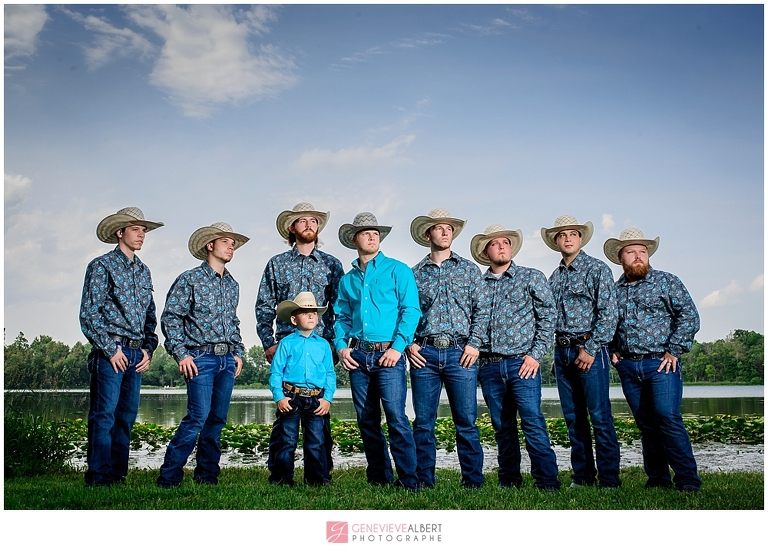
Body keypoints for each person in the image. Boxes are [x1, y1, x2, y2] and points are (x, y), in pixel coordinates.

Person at [604, 227, 701, 492]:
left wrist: (674, 350)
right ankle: (658, 479)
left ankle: (688, 481)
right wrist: (613, 349)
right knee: (646, 424)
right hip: (628, 366)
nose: (638, 256)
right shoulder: (614, 290)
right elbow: (608, 323)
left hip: (661, 363)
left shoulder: (667, 281)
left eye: (642, 251)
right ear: (620, 258)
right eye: (631, 252)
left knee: (668, 418)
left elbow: (689, 316)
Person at [334, 212, 422, 491]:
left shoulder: (398, 270)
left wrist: (398, 348)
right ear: (354, 239)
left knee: (396, 417)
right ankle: (379, 478)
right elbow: (341, 317)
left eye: (375, 232)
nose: (372, 236)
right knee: (367, 420)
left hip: (389, 356)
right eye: (365, 232)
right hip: (358, 356)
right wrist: (340, 347)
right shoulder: (347, 280)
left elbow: (411, 311)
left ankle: (409, 480)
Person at [157, 222, 249, 488]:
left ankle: (207, 476)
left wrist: (238, 352)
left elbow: (233, 322)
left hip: (226, 360)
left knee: (217, 419)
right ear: (210, 245)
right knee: (197, 417)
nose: (231, 246)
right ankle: (169, 477)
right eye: (225, 241)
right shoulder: (189, 279)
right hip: (200, 359)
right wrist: (181, 355)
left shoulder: (232, 284)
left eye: (233, 243)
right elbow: (171, 318)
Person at [471, 224, 561, 491]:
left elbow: (548, 317)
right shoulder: (478, 284)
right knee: (502, 426)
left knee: (532, 421)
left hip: (523, 364)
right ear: (486, 251)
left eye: (506, 242)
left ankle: (547, 481)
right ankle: (509, 480)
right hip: (488, 366)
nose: (501, 246)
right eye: (495, 243)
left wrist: (535, 355)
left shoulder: (531, 276)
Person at [255, 202, 343, 469]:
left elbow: (340, 308)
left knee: (319, 416)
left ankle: (320, 471)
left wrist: (336, 344)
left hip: (322, 347)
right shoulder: (277, 264)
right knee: (286, 417)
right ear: (292, 228)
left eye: (314, 221)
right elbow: (263, 305)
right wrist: (268, 343)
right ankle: (280, 472)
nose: (309, 225)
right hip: (287, 346)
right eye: (302, 221)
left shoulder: (332, 264)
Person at [79, 207, 163, 486]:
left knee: (125, 417)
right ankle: (98, 477)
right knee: (103, 416)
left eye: (144, 230)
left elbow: (151, 317)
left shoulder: (144, 271)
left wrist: (148, 350)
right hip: (110, 352)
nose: (142, 235)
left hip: (136, 353)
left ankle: (117, 475)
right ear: (120, 232)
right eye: (136, 229)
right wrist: (109, 349)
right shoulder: (101, 266)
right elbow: (89, 314)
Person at [406, 208, 486, 489]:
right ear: (428, 234)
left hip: (460, 353)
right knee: (424, 423)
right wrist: (409, 345)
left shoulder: (469, 269)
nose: (445, 232)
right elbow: (406, 312)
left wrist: (475, 344)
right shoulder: (413, 274)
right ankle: (423, 480)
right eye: (439, 228)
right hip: (424, 355)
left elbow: (482, 310)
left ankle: (473, 481)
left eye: (449, 229)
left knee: (466, 421)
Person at [541, 214, 621, 489]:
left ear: (580, 238)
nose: (567, 238)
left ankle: (610, 478)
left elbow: (609, 313)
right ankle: (583, 476)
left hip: (588, 349)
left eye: (572, 234)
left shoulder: (597, 269)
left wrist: (591, 348)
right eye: (562, 235)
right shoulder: (554, 276)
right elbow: (551, 319)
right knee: (573, 418)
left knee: (599, 416)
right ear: (556, 241)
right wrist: (554, 354)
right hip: (562, 353)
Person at [267, 292, 336, 486]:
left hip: (316, 399)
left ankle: (316, 479)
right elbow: (276, 373)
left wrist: (327, 398)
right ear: (293, 318)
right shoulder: (286, 343)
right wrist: (279, 397)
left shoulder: (323, 345)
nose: (311, 316)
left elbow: (330, 374)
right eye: (305, 313)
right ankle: (282, 479)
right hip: (291, 397)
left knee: (316, 441)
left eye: (314, 312)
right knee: (287, 440)